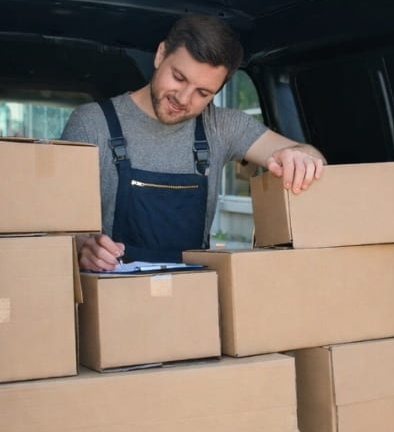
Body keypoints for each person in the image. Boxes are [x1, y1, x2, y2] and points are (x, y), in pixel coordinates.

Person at [60, 14, 325, 271]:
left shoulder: (222, 126)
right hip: (110, 300)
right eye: (179, 77)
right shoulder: (91, 123)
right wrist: (84, 248)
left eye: (203, 92)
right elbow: (58, 229)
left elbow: (311, 155)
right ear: (161, 54)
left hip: (196, 297)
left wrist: (301, 157)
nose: (184, 99)